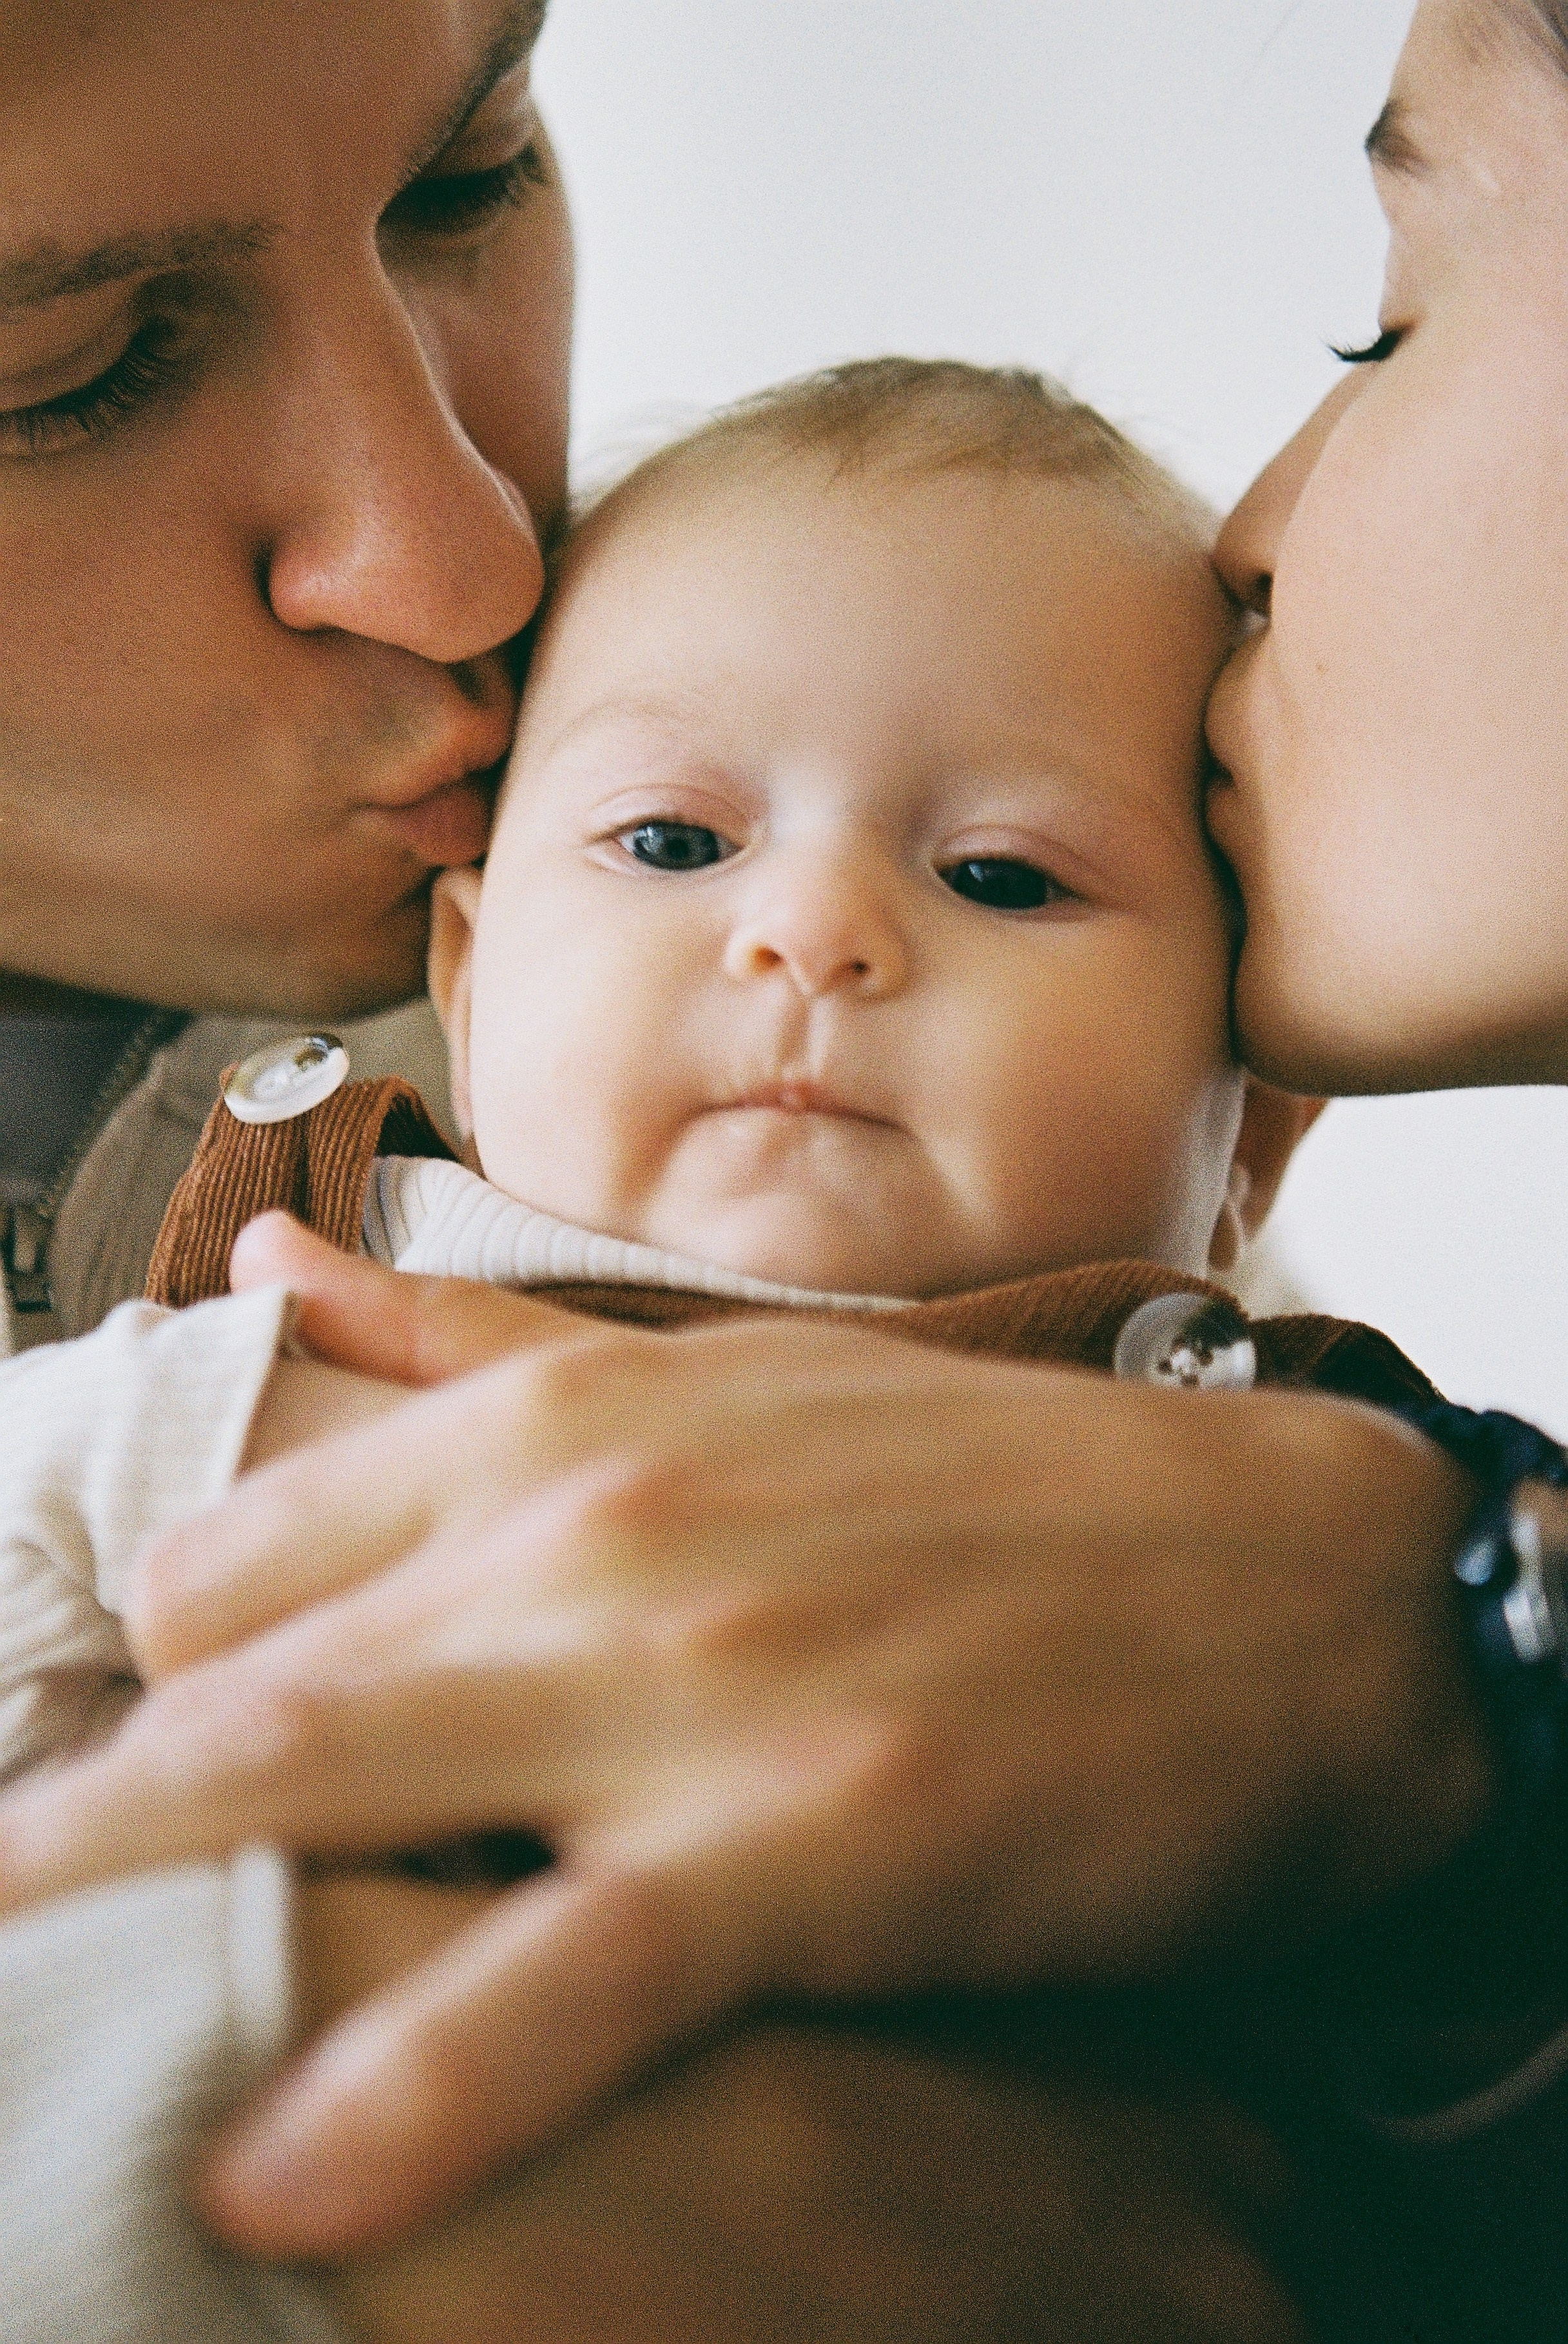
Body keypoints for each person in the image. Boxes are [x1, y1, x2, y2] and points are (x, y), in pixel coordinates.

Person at [8, 1, 1567, 2338]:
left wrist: (1468, 1686)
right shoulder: (285, 1232)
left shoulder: (1240, 1386)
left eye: (472, 171)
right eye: (70, 365)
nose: (458, 557)